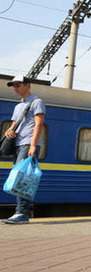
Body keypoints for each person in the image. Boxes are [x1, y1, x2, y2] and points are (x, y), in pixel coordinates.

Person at [2, 75, 46, 225]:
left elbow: (39, 124)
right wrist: (9, 131)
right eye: (13, 85)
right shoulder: (18, 106)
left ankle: (22, 212)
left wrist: (33, 145)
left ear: (27, 85)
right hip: (18, 144)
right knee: (18, 177)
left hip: (28, 144)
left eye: (18, 85)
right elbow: (14, 125)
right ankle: (20, 211)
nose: (15, 88)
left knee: (22, 178)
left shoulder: (37, 102)